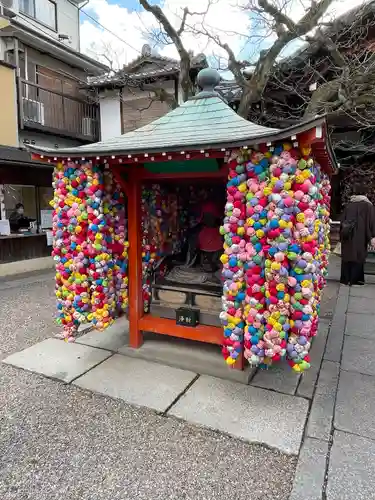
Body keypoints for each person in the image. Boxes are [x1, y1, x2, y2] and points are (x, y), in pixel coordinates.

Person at [340, 183, 375, 286]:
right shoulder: (368, 206)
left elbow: (343, 220)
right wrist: (372, 236)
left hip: (347, 235)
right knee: (358, 256)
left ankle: (345, 279)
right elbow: (371, 222)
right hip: (361, 235)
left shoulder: (349, 204)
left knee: (347, 256)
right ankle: (356, 280)